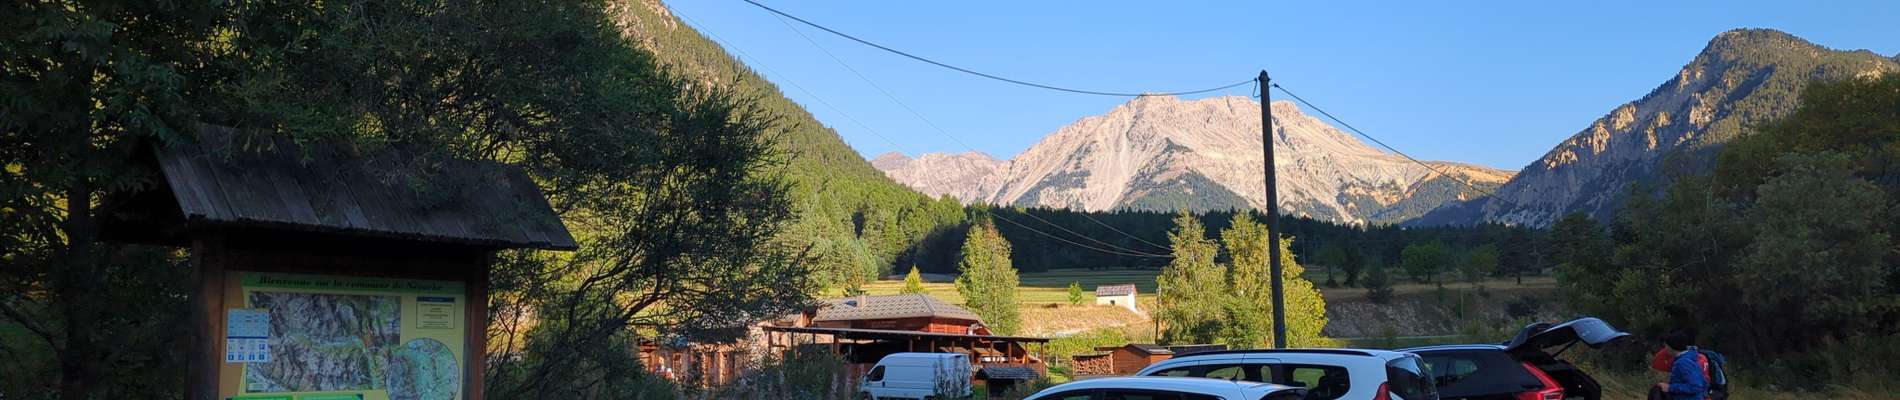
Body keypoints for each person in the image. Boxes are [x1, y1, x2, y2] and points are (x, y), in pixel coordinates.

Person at [1648, 331, 1709, 400]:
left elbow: (1696, 387)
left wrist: (1670, 387)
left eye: (1666, 346)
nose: (1665, 349)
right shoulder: (1689, 357)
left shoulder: (1683, 363)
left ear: (1671, 347)